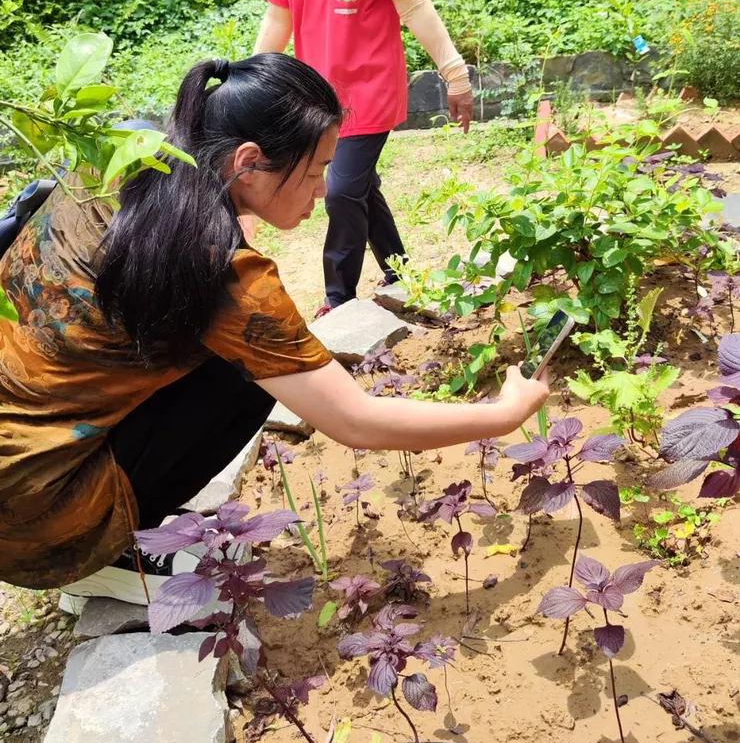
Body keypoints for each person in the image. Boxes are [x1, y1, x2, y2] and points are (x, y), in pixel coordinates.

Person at [0, 54, 547, 608]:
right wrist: (504, 415)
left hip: (16, 461)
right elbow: (355, 420)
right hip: (34, 519)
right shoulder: (220, 271)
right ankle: (105, 554)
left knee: (241, 360)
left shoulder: (123, 158)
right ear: (248, 160)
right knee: (246, 378)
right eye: (314, 171)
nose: (323, 189)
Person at [255, 0, 475, 315]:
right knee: (360, 190)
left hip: (370, 92)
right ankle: (402, 274)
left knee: (340, 191)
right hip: (321, 96)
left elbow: (413, 3)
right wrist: (245, 86)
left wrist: (455, 72)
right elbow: (278, 18)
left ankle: (339, 298)